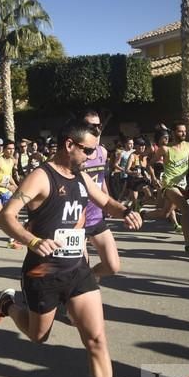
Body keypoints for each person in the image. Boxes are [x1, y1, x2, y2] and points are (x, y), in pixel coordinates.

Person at [0, 120, 142, 377]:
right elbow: (6, 216)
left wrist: (125, 211)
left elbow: (106, 201)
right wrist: (31, 240)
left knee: (97, 340)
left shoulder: (81, 176)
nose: (91, 155)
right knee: (39, 336)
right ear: (69, 145)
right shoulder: (41, 177)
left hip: (78, 270)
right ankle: (8, 305)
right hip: (42, 273)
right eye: (87, 150)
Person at [144, 122, 189, 252]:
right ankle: (188, 243)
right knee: (186, 209)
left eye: (185, 131)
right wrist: (154, 178)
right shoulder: (165, 149)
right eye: (180, 131)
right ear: (173, 133)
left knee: (165, 213)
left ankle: (142, 215)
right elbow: (149, 164)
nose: (184, 133)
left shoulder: (188, 146)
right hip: (169, 185)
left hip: (182, 185)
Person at [80, 110, 121, 279]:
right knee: (80, 271)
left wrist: (109, 202)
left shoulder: (102, 152)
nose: (96, 129)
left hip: (97, 217)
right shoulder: (76, 154)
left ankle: (89, 278)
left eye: (99, 126)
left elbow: (101, 180)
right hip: (77, 220)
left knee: (112, 266)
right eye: (91, 126)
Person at [0, 139, 20, 248]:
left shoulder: (11, 161)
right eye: (9, 149)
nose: (11, 151)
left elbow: (8, 175)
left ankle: (12, 240)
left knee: (14, 215)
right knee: (1, 219)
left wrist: (15, 185)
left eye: (13, 149)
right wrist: (7, 186)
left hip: (6, 192)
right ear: (4, 149)